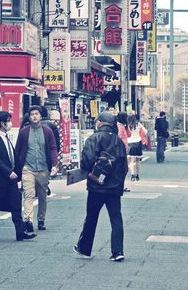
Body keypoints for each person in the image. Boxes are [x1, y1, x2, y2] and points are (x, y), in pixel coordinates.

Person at [73, 111, 128, 262]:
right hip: (114, 187)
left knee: (91, 217)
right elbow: (124, 166)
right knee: (116, 218)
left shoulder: (94, 138)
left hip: (96, 186)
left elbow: (86, 162)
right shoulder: (119, 141)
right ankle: (118, 251)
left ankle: (85, 249)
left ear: (99, 123)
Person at [0, 111, 37, 241]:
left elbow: (13, 156)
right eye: (8, 121)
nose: (10, 123)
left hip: (11, 180)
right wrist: (8, 172)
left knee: (16, 205)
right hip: (1, 180)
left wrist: (19, 170)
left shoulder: (7, 137)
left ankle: (20, 232)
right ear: (2, 123)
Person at [15, 105, 58, 232]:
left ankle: (41, 220)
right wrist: (17, 166)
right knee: (28, 195)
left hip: (43, 168)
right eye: (32, 114)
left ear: (40, 116)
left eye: (36, 114)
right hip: (28, 168)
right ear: (29, 116)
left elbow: (53, 148)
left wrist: (54, 165)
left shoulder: (47, 131)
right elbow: (18, 150)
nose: (34, 116)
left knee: (42, 196)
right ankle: (28, 220)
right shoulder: (23, 132)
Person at [127, 113, 147, 181]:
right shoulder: (138, 124)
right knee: (138, 160)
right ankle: (137, 174)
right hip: (138, 143)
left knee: (131, 161)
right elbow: (145, 131)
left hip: (130, 143)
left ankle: (132, 175)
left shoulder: (127, 125)